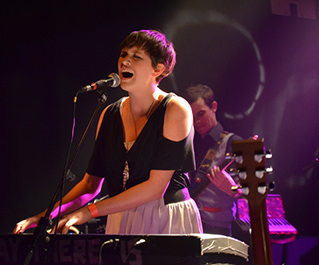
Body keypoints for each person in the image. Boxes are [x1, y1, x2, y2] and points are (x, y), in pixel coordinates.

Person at [14, 30, 203, 235]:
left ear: (158, 69)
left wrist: (88, 212)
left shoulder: (175, 109)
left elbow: (155, 189)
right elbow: (90, 184)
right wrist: (45, 216)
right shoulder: (109, 114)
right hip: (121, 215)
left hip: (166, 216)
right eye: (123, 55)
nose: (125, 62)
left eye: (136, 56)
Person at [185, 84, 242, 237]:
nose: (197, 121)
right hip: (187, 224)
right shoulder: (189, 142)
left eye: (201, 114)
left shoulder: (233, 143)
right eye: (193, 116)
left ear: (214, 107)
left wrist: (232, 189)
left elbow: (248, 194)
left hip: (217, 228)